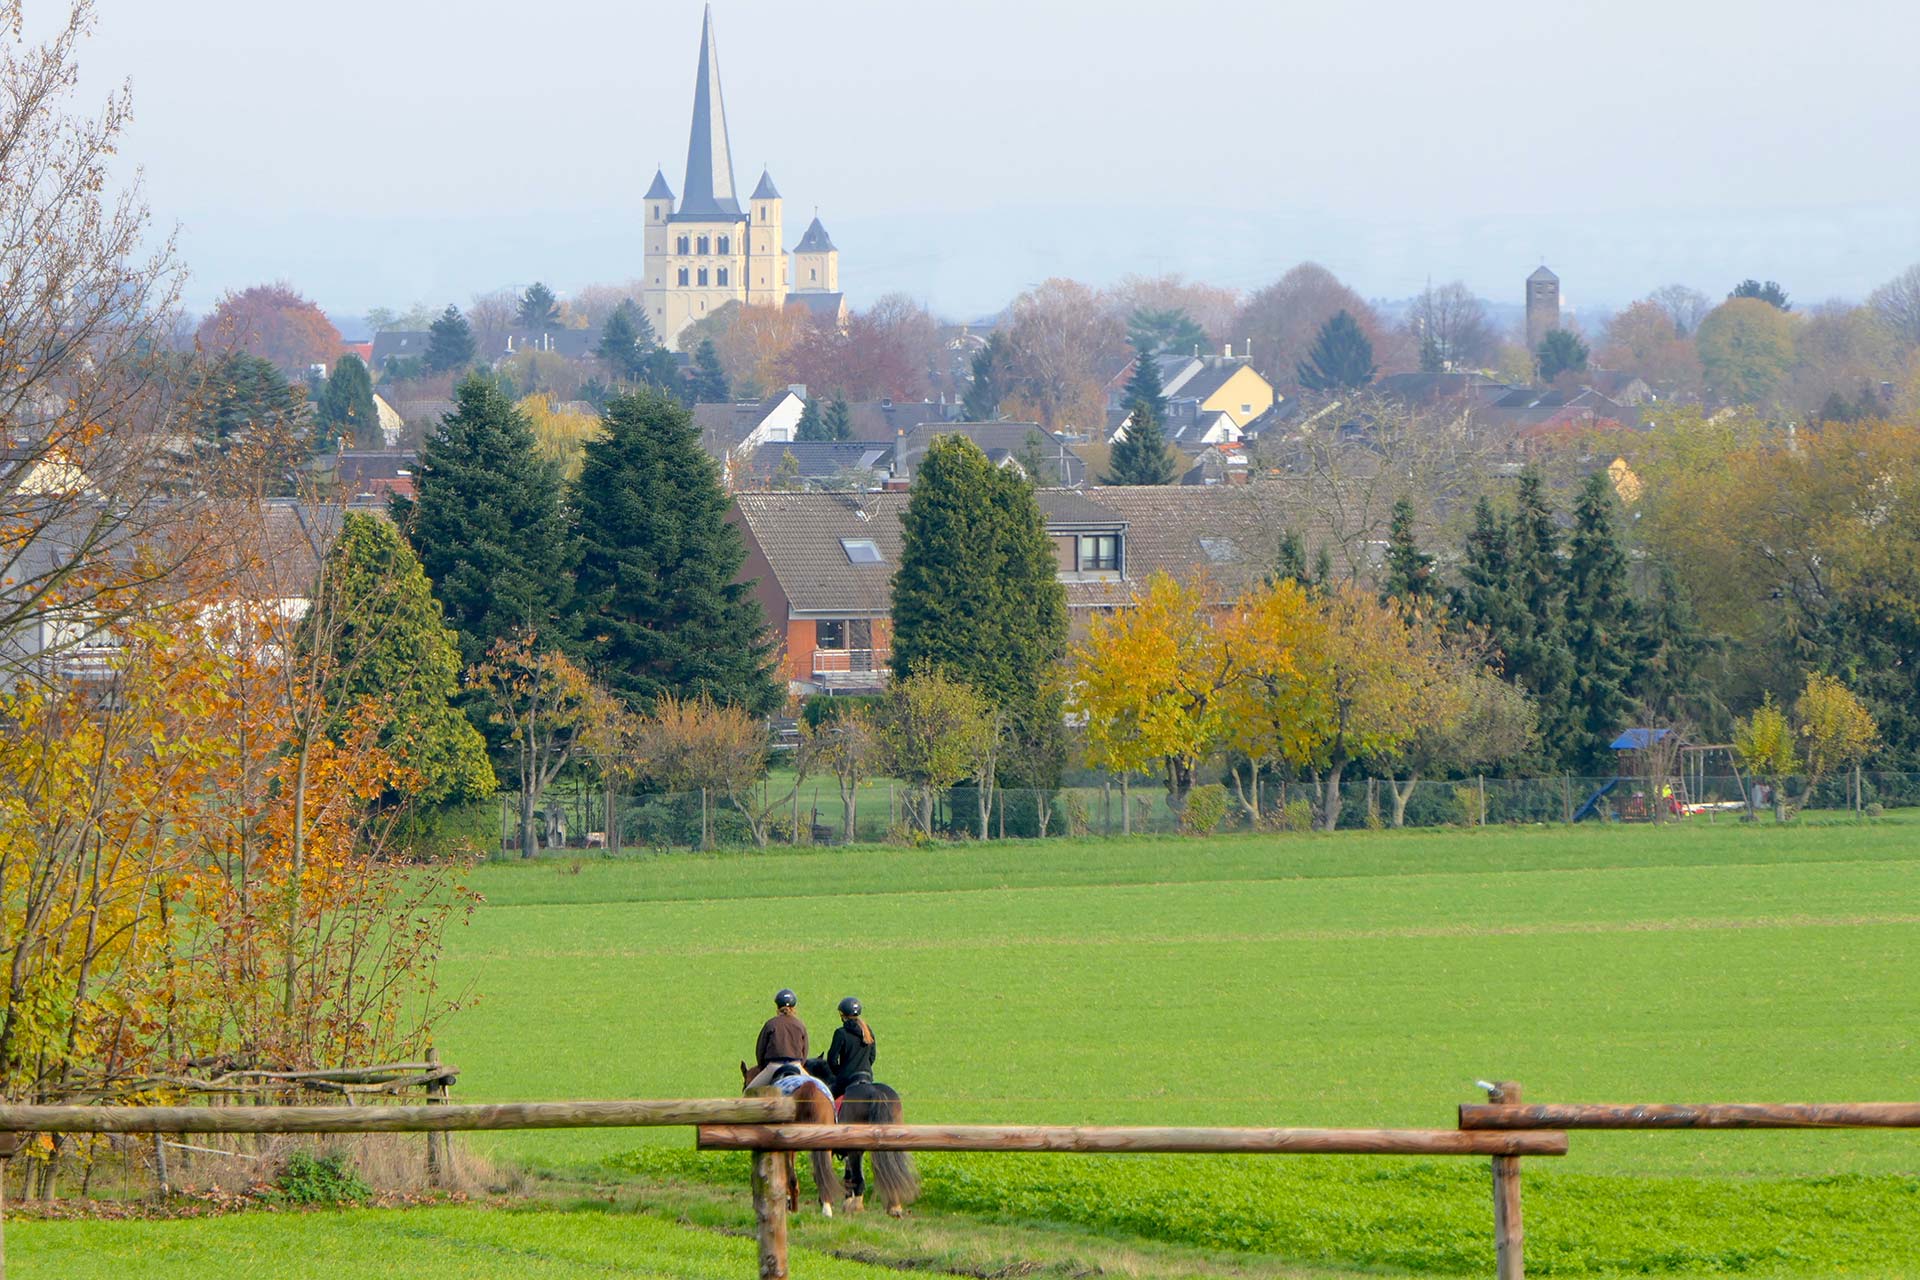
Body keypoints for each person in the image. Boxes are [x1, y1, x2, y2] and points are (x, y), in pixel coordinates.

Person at [745, 989, 808, 1088]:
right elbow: (805, 1051)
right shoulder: (800, 1025)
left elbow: (760, 1050)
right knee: (819, 1088)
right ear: (794, 1007)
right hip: (796, 1066)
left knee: (748, 1092)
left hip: (774, 1067)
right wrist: (800, 1064)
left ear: (778, 1007)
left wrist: (762, 1067)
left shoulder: (770, 1024)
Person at [825, 996, 876, 1098]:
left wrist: (840, 1072)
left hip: (847, 1079)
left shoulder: (841, 1033)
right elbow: (872, 1056)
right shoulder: (867, 1031)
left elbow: (832, 1060)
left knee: (827, 1098)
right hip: (867, 1076)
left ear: (842, 1015)